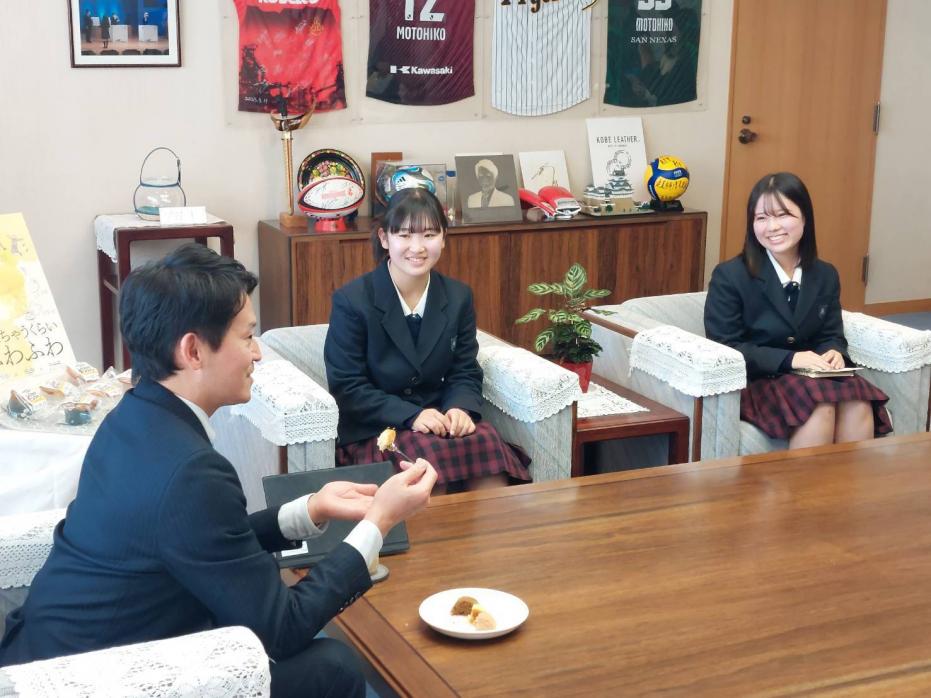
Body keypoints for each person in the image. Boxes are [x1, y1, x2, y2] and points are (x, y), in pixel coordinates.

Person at [0, 244, 437, 698]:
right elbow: (282, 629)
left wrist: (310, 509)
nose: (258, 354)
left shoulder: (131, 417)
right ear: (193, 350)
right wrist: (378, 523)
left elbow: (203, 541)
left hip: (41, 651)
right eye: (247, 337)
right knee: (333, 666)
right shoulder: (191, 471)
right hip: (94, 679)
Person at [324, 188, 531, 492]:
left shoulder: (458, 297)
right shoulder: (352, 301)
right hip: (378, 427)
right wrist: (412, 415)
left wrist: (460, 408)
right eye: (405, 235)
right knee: (425, 465)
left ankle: (497, 526)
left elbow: (464, 369)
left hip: (439, 419)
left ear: (444, 238)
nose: (417, 247)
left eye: (429, 235)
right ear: (384, 238)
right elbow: (348, 387)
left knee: (486, 443)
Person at [704, 172, 892, 449]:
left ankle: (848, 480)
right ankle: (806, 481)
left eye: (783, 215)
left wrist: (834, 352)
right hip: (761, 380)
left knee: (858, 403)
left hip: (812, 377)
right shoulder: (730, 275)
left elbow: (831, 334)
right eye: (761, 218)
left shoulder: (825, 274)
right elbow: (725, 346)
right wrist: (790, 359)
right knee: (820, 408)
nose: (772, 227)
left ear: (805, 217)